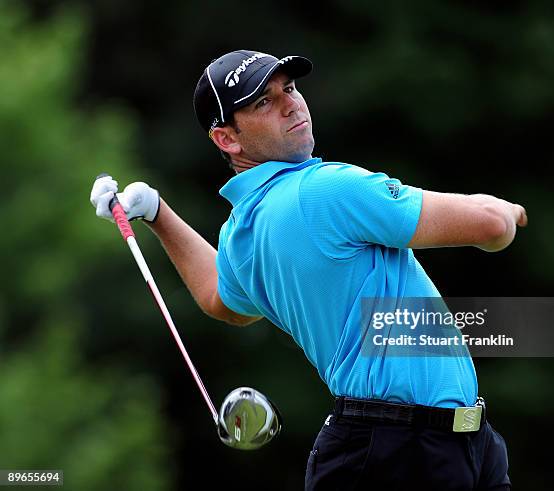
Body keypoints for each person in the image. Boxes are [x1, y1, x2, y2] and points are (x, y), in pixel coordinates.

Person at [90, 50, 526, 490]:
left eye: (290, 88)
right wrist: (505, 214)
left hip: (450, 443)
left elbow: (221, 299)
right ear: (227, 139)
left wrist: (157, 212)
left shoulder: (241, 233)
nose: (290, 103)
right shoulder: (325, 189)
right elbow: (487, 225)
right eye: (262, 101)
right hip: (400, 449)